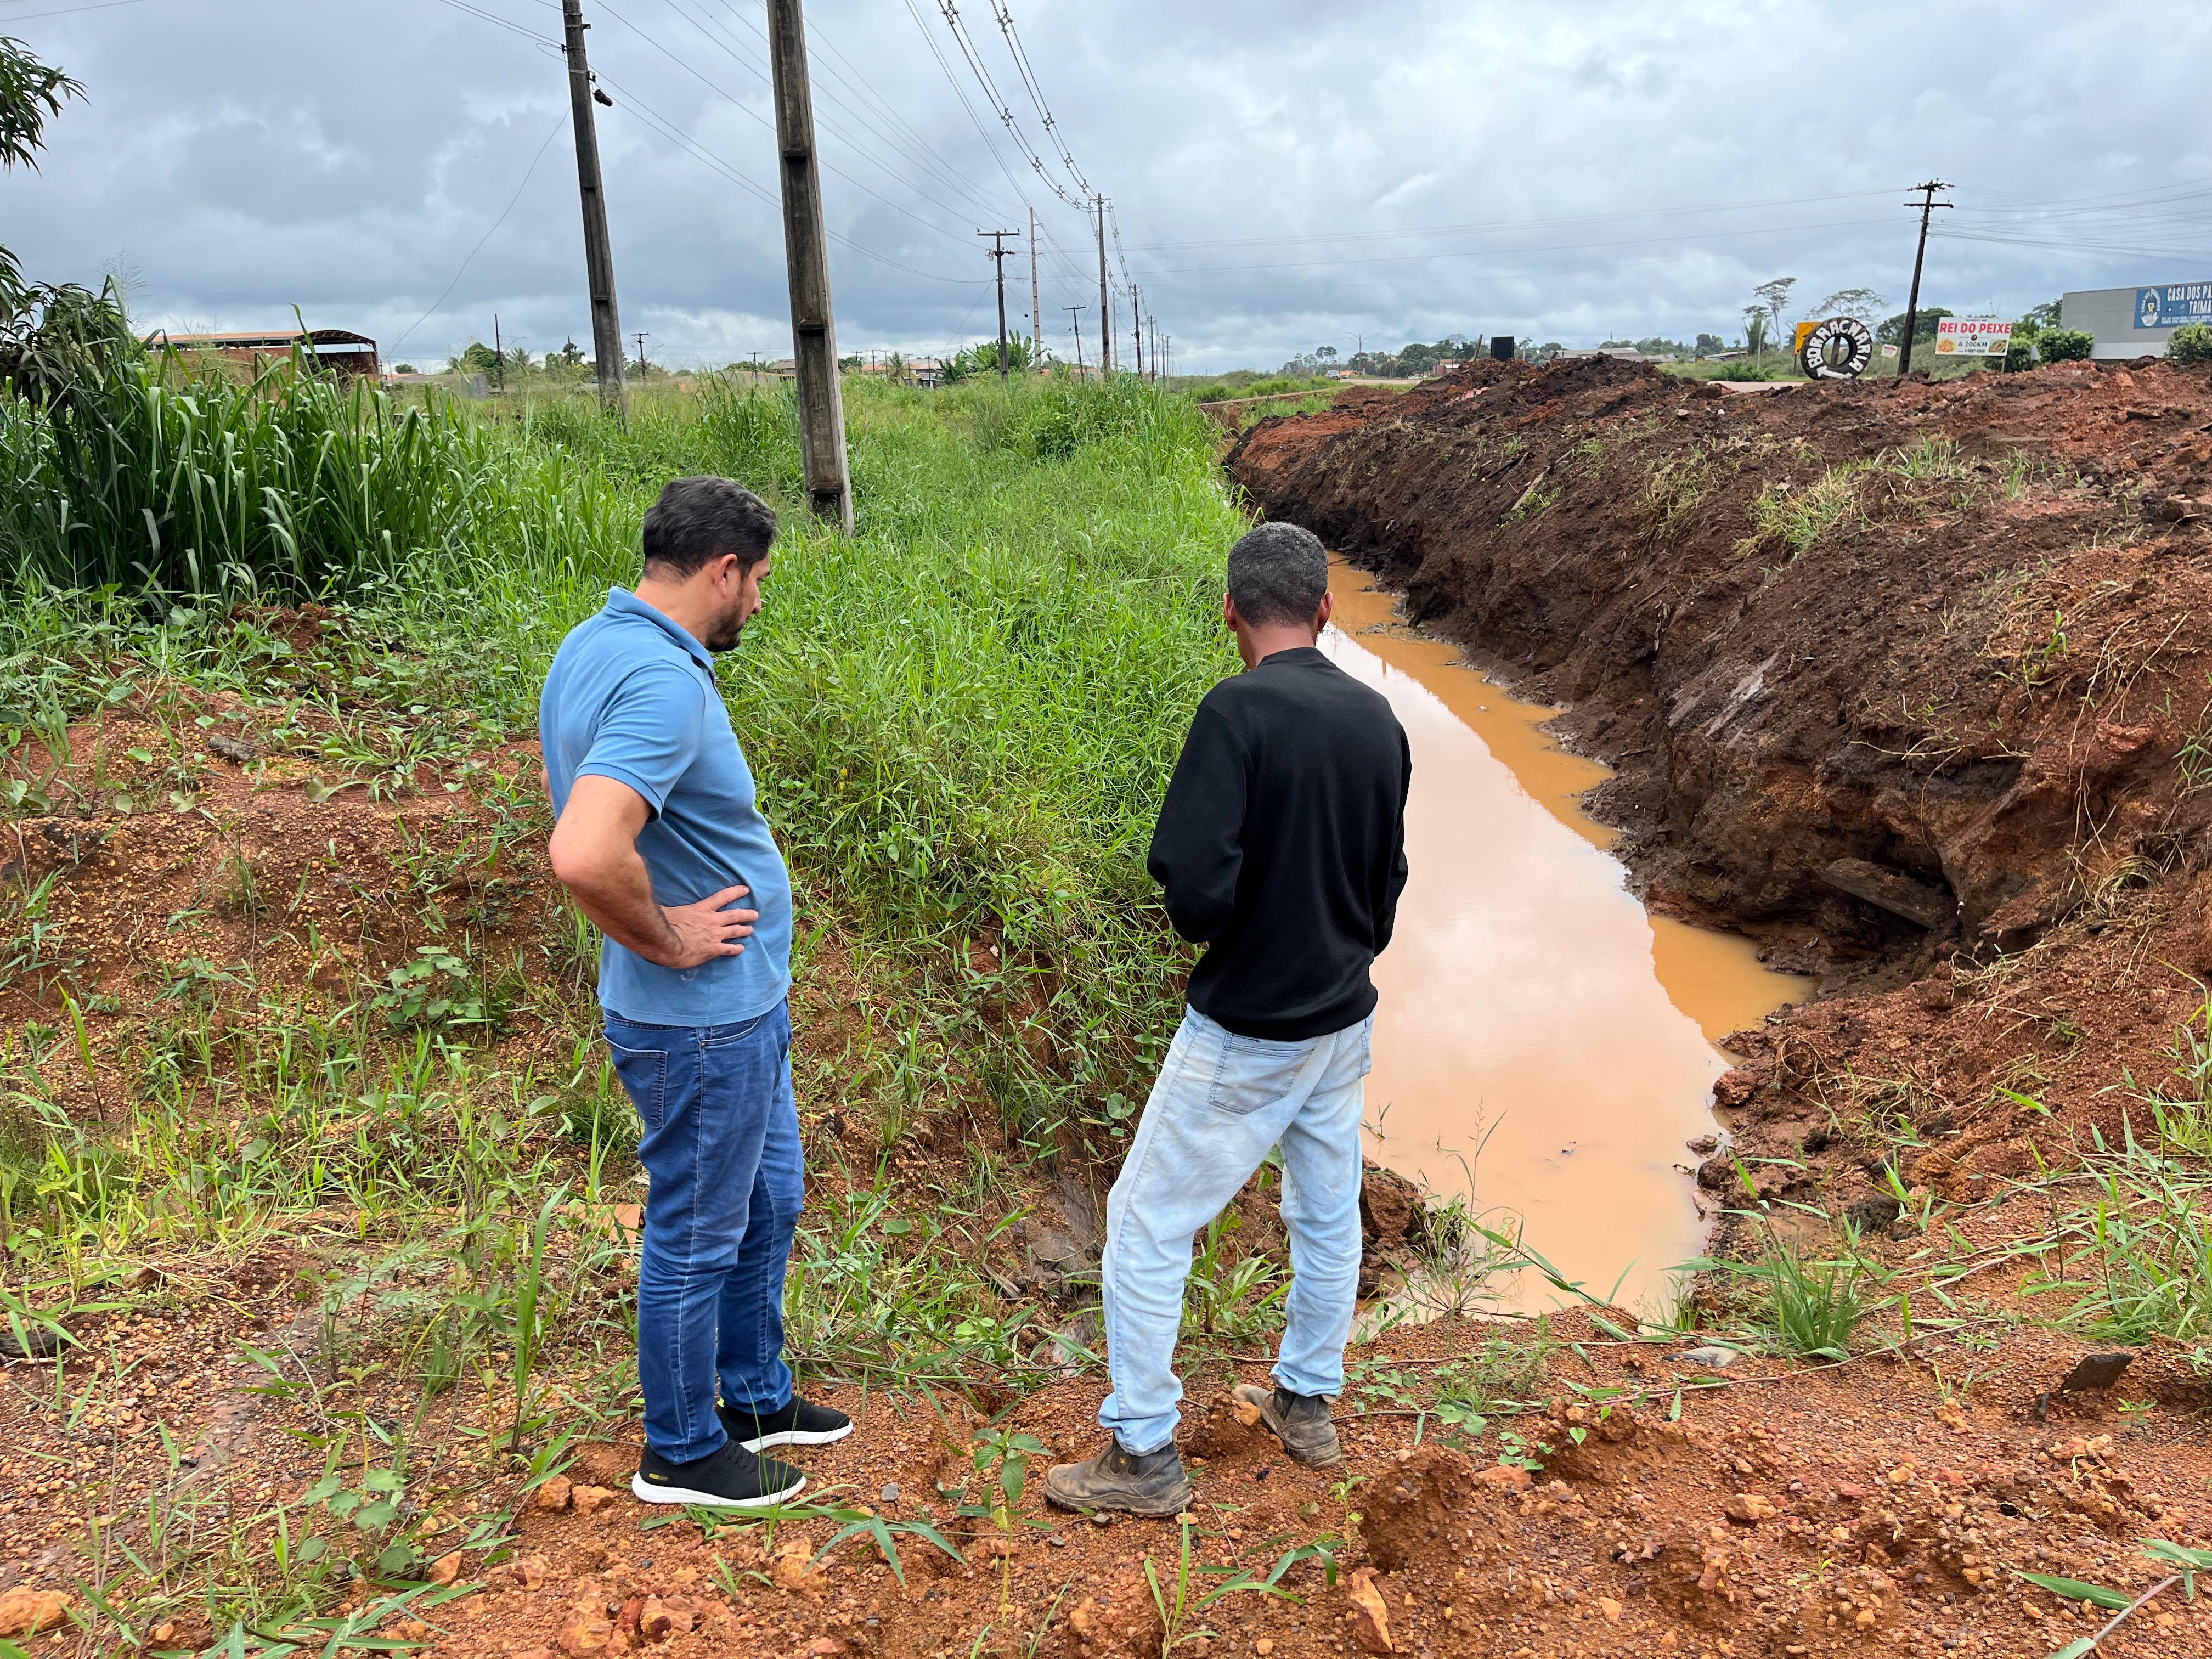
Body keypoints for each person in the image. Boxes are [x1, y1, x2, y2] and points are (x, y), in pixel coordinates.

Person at [1046, 520, 1411, 1517]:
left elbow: (1196, 886)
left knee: (1147, 1222)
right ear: (1328, 611)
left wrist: (1234, 934)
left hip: (1249, 1025)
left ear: (1232, 615)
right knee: (1327, 1214)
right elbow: (1388, 884)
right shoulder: (1381, 721)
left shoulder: (1235, 712)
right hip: (1342, 1021)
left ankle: (1142, 1452)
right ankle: (1307, 1403)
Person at [540, 475, 850, 1509]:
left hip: (738, 1013)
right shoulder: (666, 682)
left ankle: (755, 1394)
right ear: (723, 570)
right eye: (757, 581)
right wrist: (671, 941)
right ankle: (681, 1447)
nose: (758, 602)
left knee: (772, 1197)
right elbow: (585, 849)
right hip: (700, 1023)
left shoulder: (600, 641)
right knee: (696, 1231)